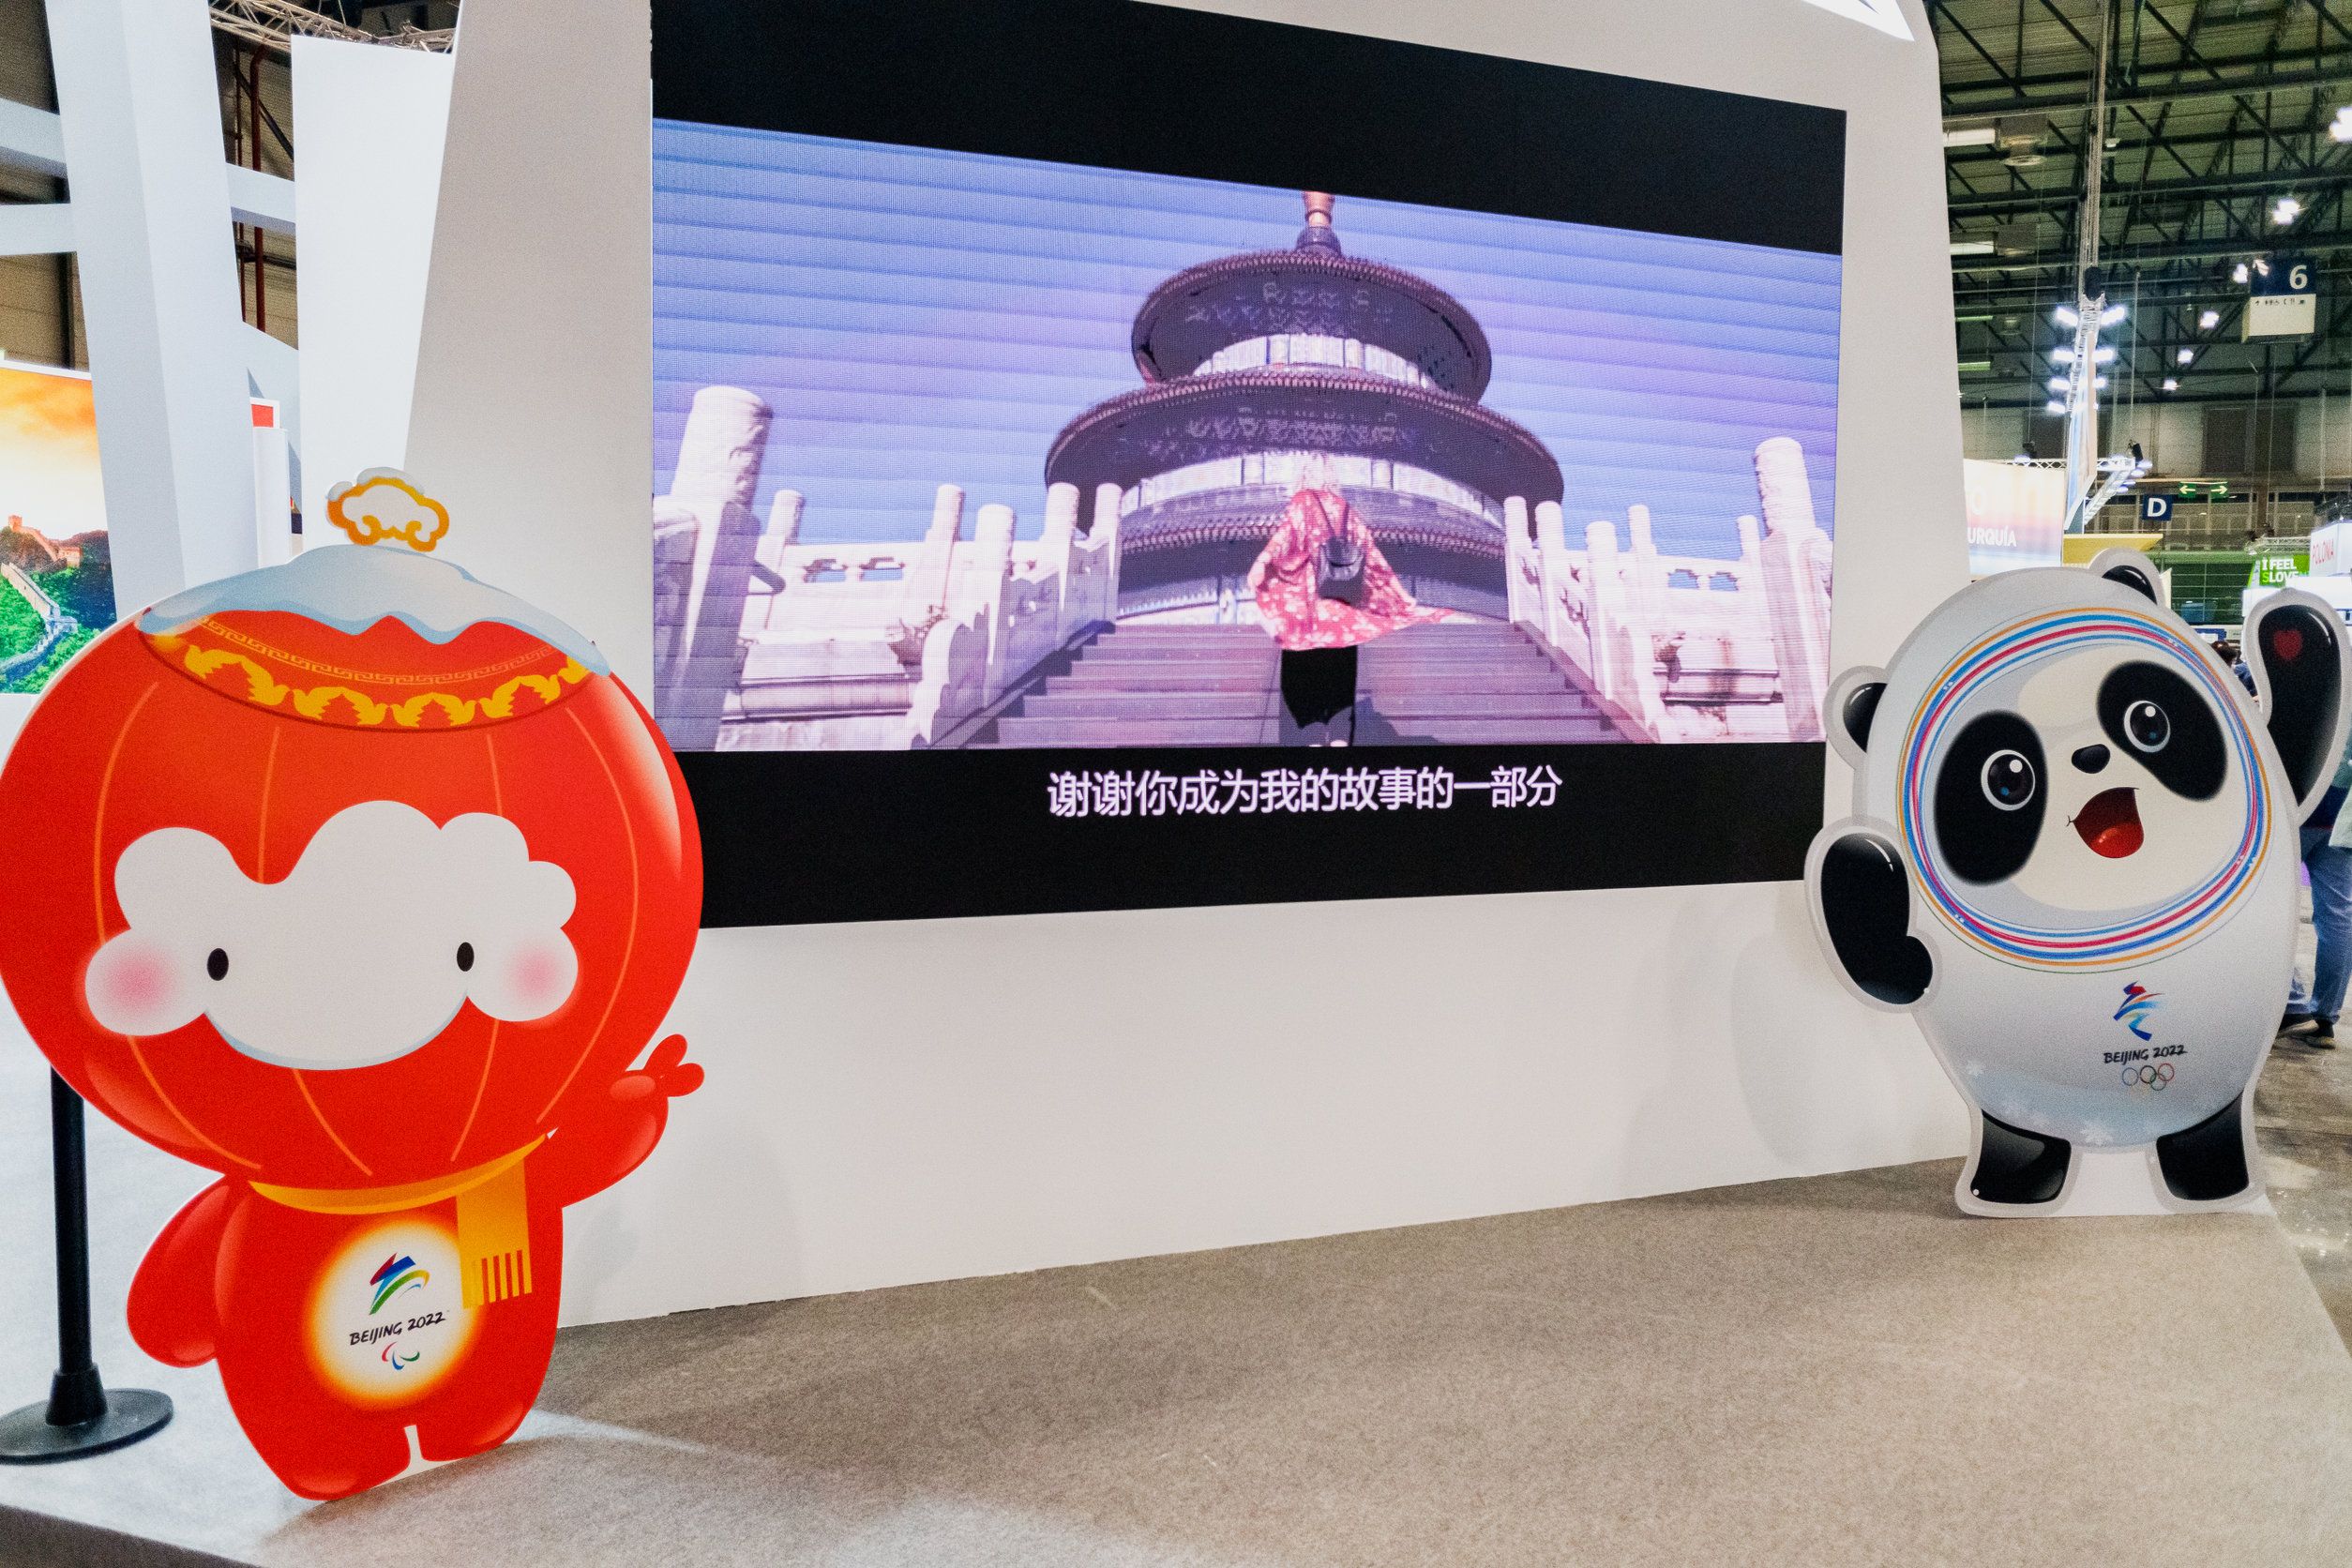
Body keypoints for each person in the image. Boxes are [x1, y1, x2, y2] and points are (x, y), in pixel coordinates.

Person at [1247, 459, 1448, 745]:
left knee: (1305, 675)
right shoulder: (1346, 510)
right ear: (1331, 477)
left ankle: (1313, 735)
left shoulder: (1302, 502)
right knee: (1341, 676)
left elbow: (1285, 538)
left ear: (1302, 476)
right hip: (1343, 609)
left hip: (1310, 614)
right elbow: (1371, 555)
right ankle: (1340, 737)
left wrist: (1261, 563)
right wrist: (1401, 595)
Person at [2283, 735, 2352, 1048]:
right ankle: (2324, 1020)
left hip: (2302, 795)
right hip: (2343, 809)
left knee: (2265, 905)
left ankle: (2291, 1003)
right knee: (2338, 914)